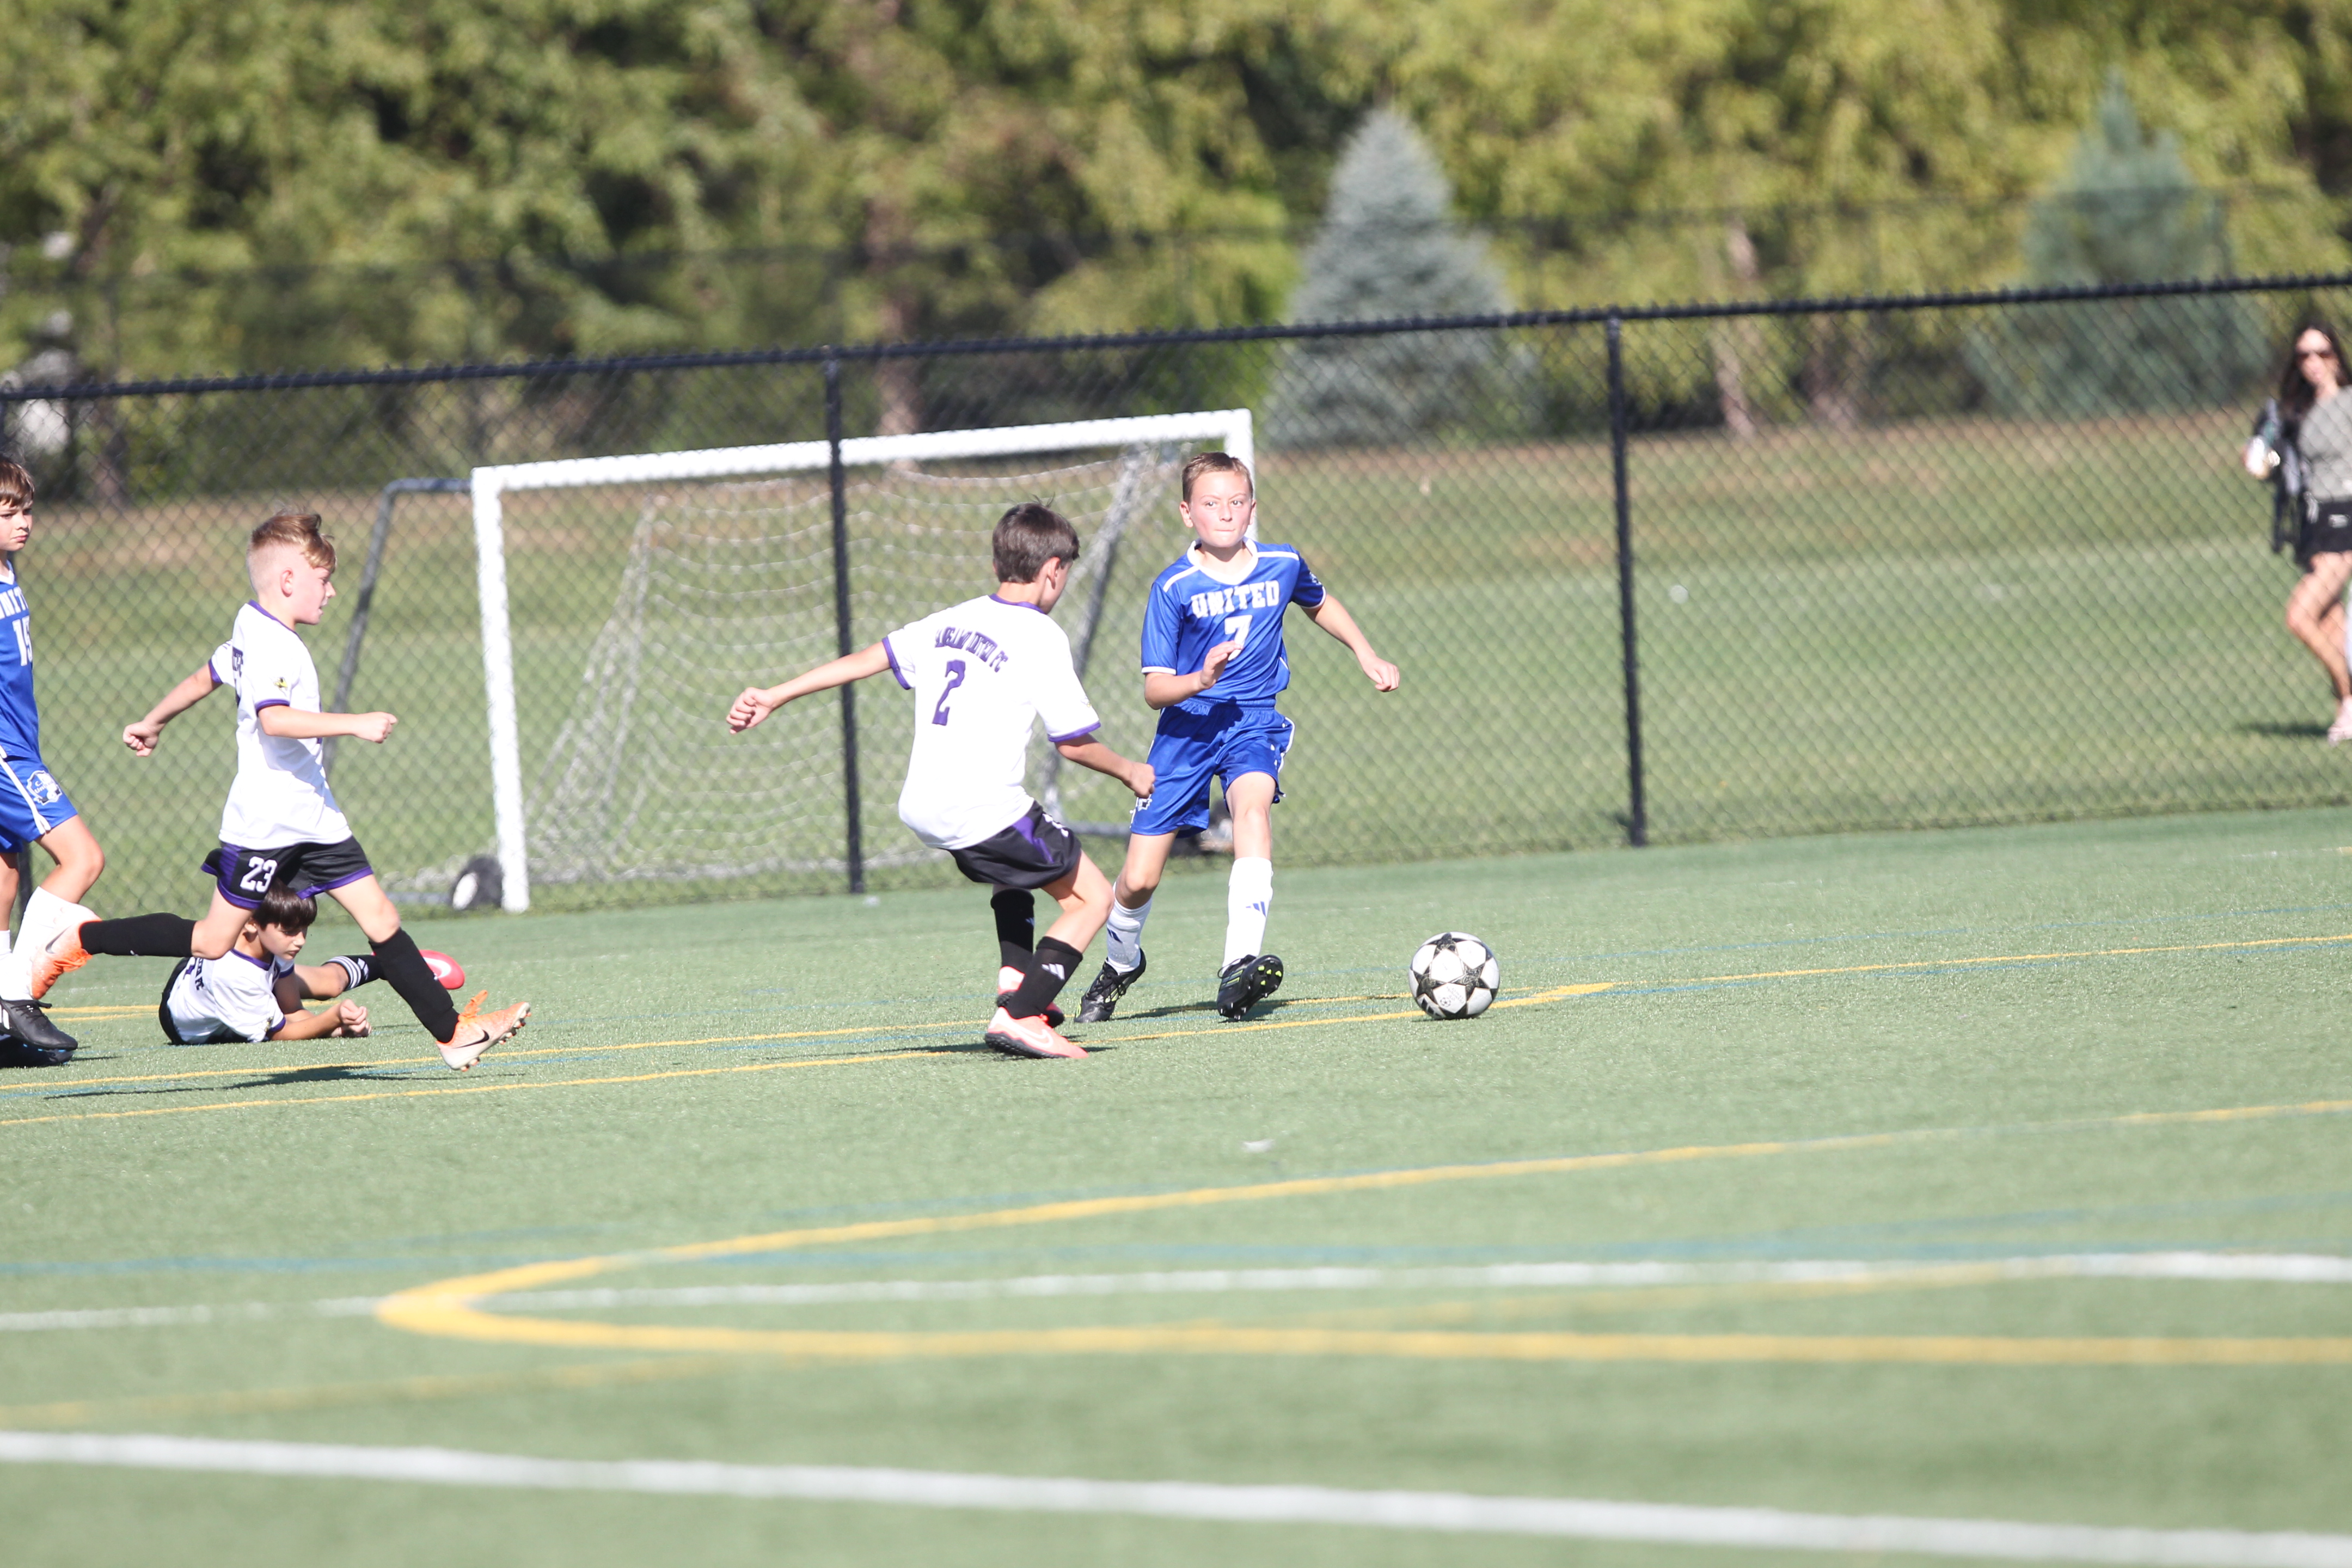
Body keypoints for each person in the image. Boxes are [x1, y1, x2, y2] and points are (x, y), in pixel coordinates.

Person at [25, 511, 529, 1070]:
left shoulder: (251, 623)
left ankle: (454, 1034)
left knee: (382, 919)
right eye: (324, 580)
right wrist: (355, 723)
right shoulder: (272, 644)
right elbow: (275, 719)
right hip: (265, 822)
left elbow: (206, 676)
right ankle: (83, 936)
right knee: (213, 941)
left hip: (314, 816)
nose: (331, 592)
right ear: (289, 580)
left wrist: (154, 720)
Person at [726, 502, 1153, 1058]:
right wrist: (1130, 771)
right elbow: (1072, 742)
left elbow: (866, 659)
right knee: (1092, 899)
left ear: (998, 563)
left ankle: (1015, 979)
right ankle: (1022, 1017)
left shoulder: (948, 622)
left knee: (1012, 870)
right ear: (1053, 571)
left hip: (925, 807)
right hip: (982, 808)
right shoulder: (1040, 636)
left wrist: (776, 694)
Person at [1076, 451, 1398, 1025]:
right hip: (1185, 730)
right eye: (1210, 503)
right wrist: (1200, 679)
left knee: (1251, 811)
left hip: (1251, 720)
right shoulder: (1173, 587)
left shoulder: (1282, 563)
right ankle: (1122, 962)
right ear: (1187, 513)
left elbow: (1320, 602)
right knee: (1140, 878)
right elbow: (1154, 690)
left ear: (1252, 508)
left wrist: (1366, 653)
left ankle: (1238, 965)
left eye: (1236, 501)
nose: (1225, 513)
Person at [0, 457, 114, 1067]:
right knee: (83, 858)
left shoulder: (8, 568)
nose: (23, 522)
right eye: (8, 513)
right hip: (5, 754)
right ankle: (15, 995)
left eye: (26, 510)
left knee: (6, 877)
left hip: (21, 744)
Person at [2251, 321, 2352, 743]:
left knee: (2300, 616)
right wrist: (2262, 455)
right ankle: (2346, 710)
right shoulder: (2296, 410)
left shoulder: (2348, 403)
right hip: (2313, 522)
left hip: (2345, 518)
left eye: (2322, 353)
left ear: (2337, 358)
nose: (2313, 362)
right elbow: (2277, 462)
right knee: (2330, 622)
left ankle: (2350, 694)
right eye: (2304, 355)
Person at [158, 880, 378, 1044]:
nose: (300, 941)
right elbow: (281, 1033)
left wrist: (337, 1027)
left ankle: (385, 962)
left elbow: (292, 1011)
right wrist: (334, 1018)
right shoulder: (234, 976)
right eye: (289, 931)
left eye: (304, 929)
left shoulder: (274, 942)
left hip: (229, 975)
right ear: (251, 923)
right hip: (180, 1018)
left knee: (331, 985)